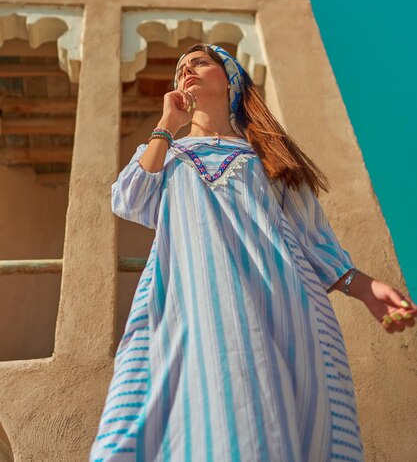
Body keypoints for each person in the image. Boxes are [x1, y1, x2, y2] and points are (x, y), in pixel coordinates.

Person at [90, 43, 417, 462]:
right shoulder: (166, 151)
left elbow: (312, 236)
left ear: (231, 79)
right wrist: (167, 124)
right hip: (189, 297)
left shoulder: (268, 156)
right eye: (180, 70)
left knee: (273, 412)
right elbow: (128, 198)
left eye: (199, 63)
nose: (186, 72)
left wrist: (364, 286)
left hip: (278, 301)